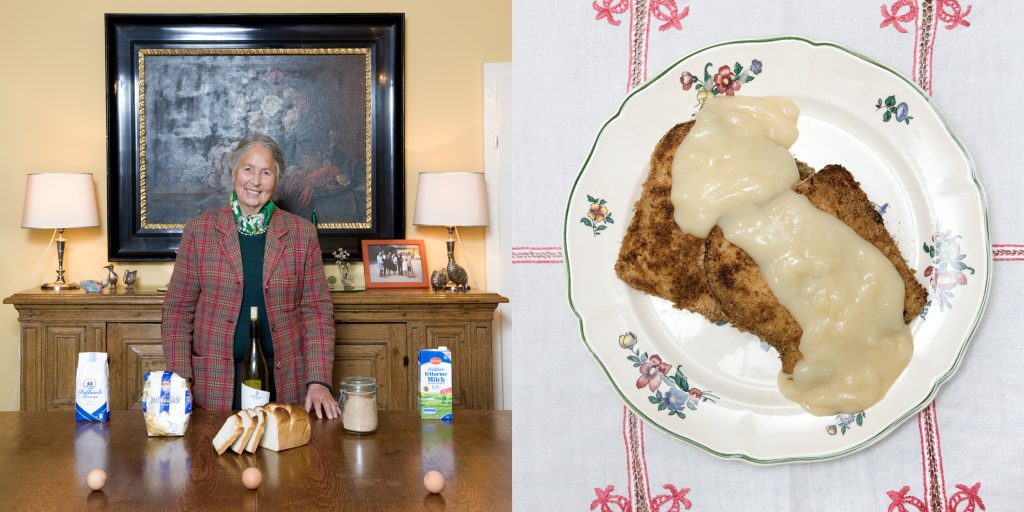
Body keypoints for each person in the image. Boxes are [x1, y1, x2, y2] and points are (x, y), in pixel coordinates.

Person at [162, 134, 340, 419]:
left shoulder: (301, 233)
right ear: (233, 172)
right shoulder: (199, 231)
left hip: (285, 380)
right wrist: (181, 379)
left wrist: (318, 381)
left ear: (276, 180)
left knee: (286, 463)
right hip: (215, 383)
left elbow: (317, 313)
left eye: (266, 172)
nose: (255, 181)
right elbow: (177, 312)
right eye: (248, 169)